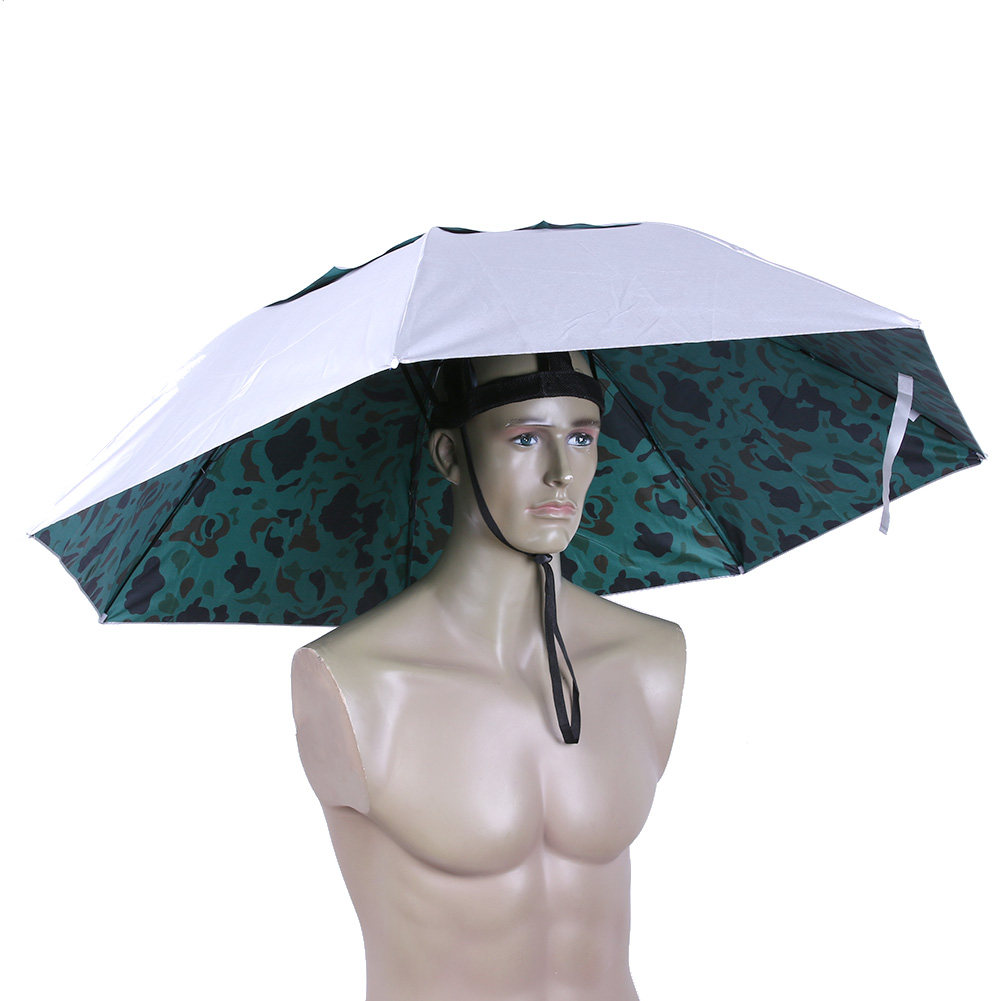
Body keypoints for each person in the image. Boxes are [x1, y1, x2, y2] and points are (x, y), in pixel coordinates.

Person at [291, 351, 686, 1001]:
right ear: (449, 454)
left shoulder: (648, 657)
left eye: (581, 437)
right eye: (525, 438)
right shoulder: (356, 679)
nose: (561, 473)